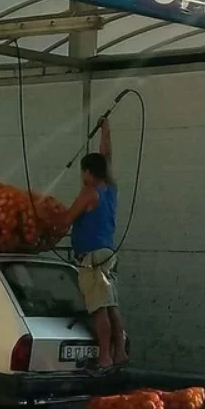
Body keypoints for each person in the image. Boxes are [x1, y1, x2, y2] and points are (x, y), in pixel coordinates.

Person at [62, 117, 129, 375]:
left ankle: (104, 358)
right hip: (108, 253)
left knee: (98, 307)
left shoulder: (89, 192)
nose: (82, 176)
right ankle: (119, 352)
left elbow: (67, 219)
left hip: (91, 257)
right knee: (111, 304)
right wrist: (105, 128)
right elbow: (107, 156)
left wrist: (45, 228)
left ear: (88, 172)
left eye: (83, 172)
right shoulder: (110, 189)